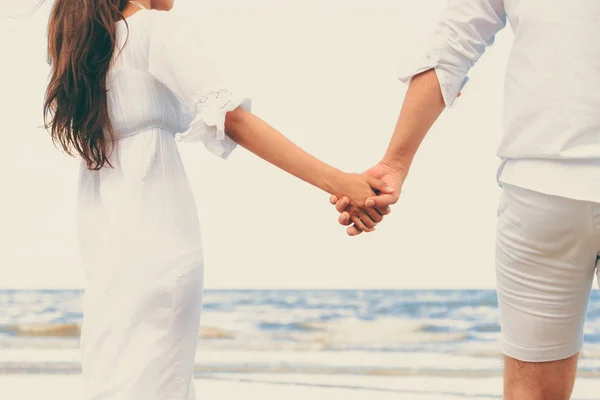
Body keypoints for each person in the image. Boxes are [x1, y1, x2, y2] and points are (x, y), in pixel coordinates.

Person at [43, 1, 393, 398]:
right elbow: (232, 119)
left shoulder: (86, 51)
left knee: (121, 379)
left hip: (107, 253)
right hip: (156, 237)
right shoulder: (155, 31)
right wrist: (340, 182)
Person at [331, 0, 600, 398]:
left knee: (532, 392)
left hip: (540, 188)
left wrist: (395, 162)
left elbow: (451, 48)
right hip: (538, 191)